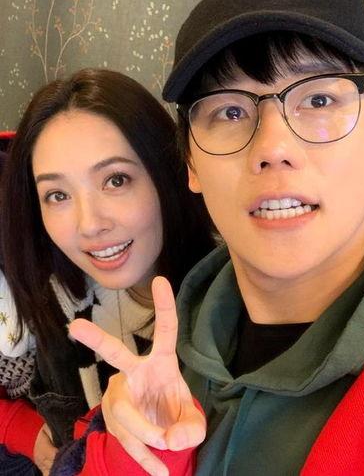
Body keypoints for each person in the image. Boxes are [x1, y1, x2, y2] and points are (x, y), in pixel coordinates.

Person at [60, 0, 364, 476]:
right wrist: (139, 453)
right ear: (191, 166)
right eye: (228, 112)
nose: (272, 148)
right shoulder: (167, 354)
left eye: (319, 100)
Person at [0, 68, 215, 475]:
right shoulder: (51, 296)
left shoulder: (229, 313)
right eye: (57, 195)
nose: (89, 224)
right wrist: (23, 432)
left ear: (168, 173)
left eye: (116, 180)